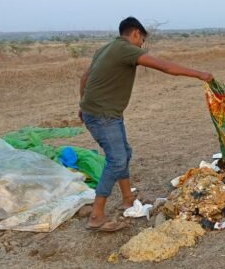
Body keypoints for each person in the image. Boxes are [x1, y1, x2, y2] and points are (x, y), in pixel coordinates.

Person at [79, 16, 213, 231]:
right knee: (116, 159)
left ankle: (127, 199)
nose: (142, 45)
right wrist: (200, 74)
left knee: (124, 153)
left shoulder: (105, 49)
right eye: (142, 40)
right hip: (103, 115)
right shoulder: (125, 49)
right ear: (135, 33)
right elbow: (165, 67)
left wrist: (83, 104)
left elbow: (84, 78)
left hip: (102, 112)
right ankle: (96, 216)